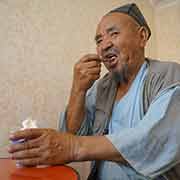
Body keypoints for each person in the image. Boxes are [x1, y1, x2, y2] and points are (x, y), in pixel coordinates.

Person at [8, 3, 180, 180]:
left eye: (114, 33)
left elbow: (156, 141)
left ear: (142, 37)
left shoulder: (169, 75)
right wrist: (78, 89)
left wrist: (74, 147)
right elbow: (72, 135)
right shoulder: (103, 87)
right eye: (99, 40)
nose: (104, 45)